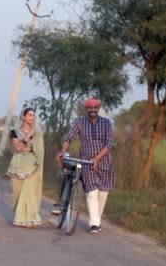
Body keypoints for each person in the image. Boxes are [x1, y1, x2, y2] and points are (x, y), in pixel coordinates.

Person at [55, 98, 114, 234]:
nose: (92, 110)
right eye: (89, 108)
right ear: (86, 109)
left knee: (103, 194)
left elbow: (109, 144)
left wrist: (97, 159)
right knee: (92, 193)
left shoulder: (106, 123)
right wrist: (63, 152)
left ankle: (96, 220)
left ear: (98, 108)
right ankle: (94, 224)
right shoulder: (80, 122)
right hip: (86, 163)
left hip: (104, 163)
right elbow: (68, 138)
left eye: (95, 107)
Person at [6, 107, 45, 228]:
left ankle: (30, 219)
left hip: (33, 165)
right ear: (23, 117)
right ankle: (22, 215)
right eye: (29, 115)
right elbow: (17, 148)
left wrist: (29, 148)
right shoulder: (15, 131)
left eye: (33, 115)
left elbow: (38, 150)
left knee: (30, 192)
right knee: (17, 193)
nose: (32, 118)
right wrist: (28, 136)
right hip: (18, 165)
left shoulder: (37, 132)